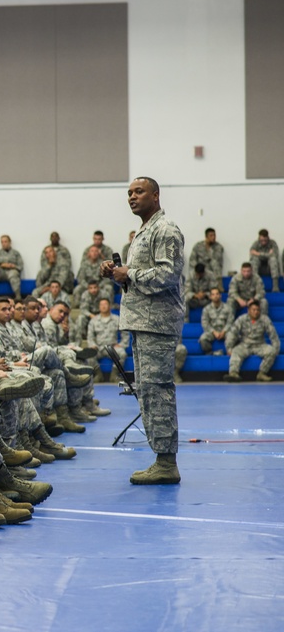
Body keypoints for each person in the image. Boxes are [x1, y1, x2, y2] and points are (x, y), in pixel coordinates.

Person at [101, 177, 184, 485]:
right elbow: (137, 280)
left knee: (158, 390)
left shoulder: (165, 230)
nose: (132, 197)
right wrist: (118, 276)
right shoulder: (142, 233)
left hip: (157, 324)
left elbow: (168, 274)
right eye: (129, 193)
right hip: (143, 321)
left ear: (156, 195)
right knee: (147, 390)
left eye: (138, 192)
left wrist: (130, 273)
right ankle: (161, 458)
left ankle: (166, 463)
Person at [223, 300, 279, 382]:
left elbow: (273, 335)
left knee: (272, 351)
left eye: (257, 310)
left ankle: (262, 373)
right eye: (253, 310)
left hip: (260, 345)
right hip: (245, 345)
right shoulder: (241, 319)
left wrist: (276, 349)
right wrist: (229, 347)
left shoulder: (265, 319)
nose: (256, 312)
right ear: (248, 310)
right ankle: (233, 374)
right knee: (235, 351)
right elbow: (233, 333)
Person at [0, 235, 23, 299]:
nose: (4, 244)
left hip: (12, 272)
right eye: (2, 242)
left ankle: (18, 296)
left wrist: (12, 266)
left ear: (10, 242)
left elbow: (20, 266)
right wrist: (2, 265)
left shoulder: (16, 253)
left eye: (5, 242)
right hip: (1, 273)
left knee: (13, 273)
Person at [199, 287, 234, 355]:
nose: (215, 296)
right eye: (213, 294)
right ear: (210, 297)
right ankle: (210, 353)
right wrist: (214, 332)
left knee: (233, 336)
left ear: (220, 295)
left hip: (225, 331)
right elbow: (205, 323)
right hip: (212, 332)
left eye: (217, 294)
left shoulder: (228, 308)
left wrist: (224, 331)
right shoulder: (206, 309)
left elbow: (230, 321)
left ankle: (230, 352)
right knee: (203, 339)